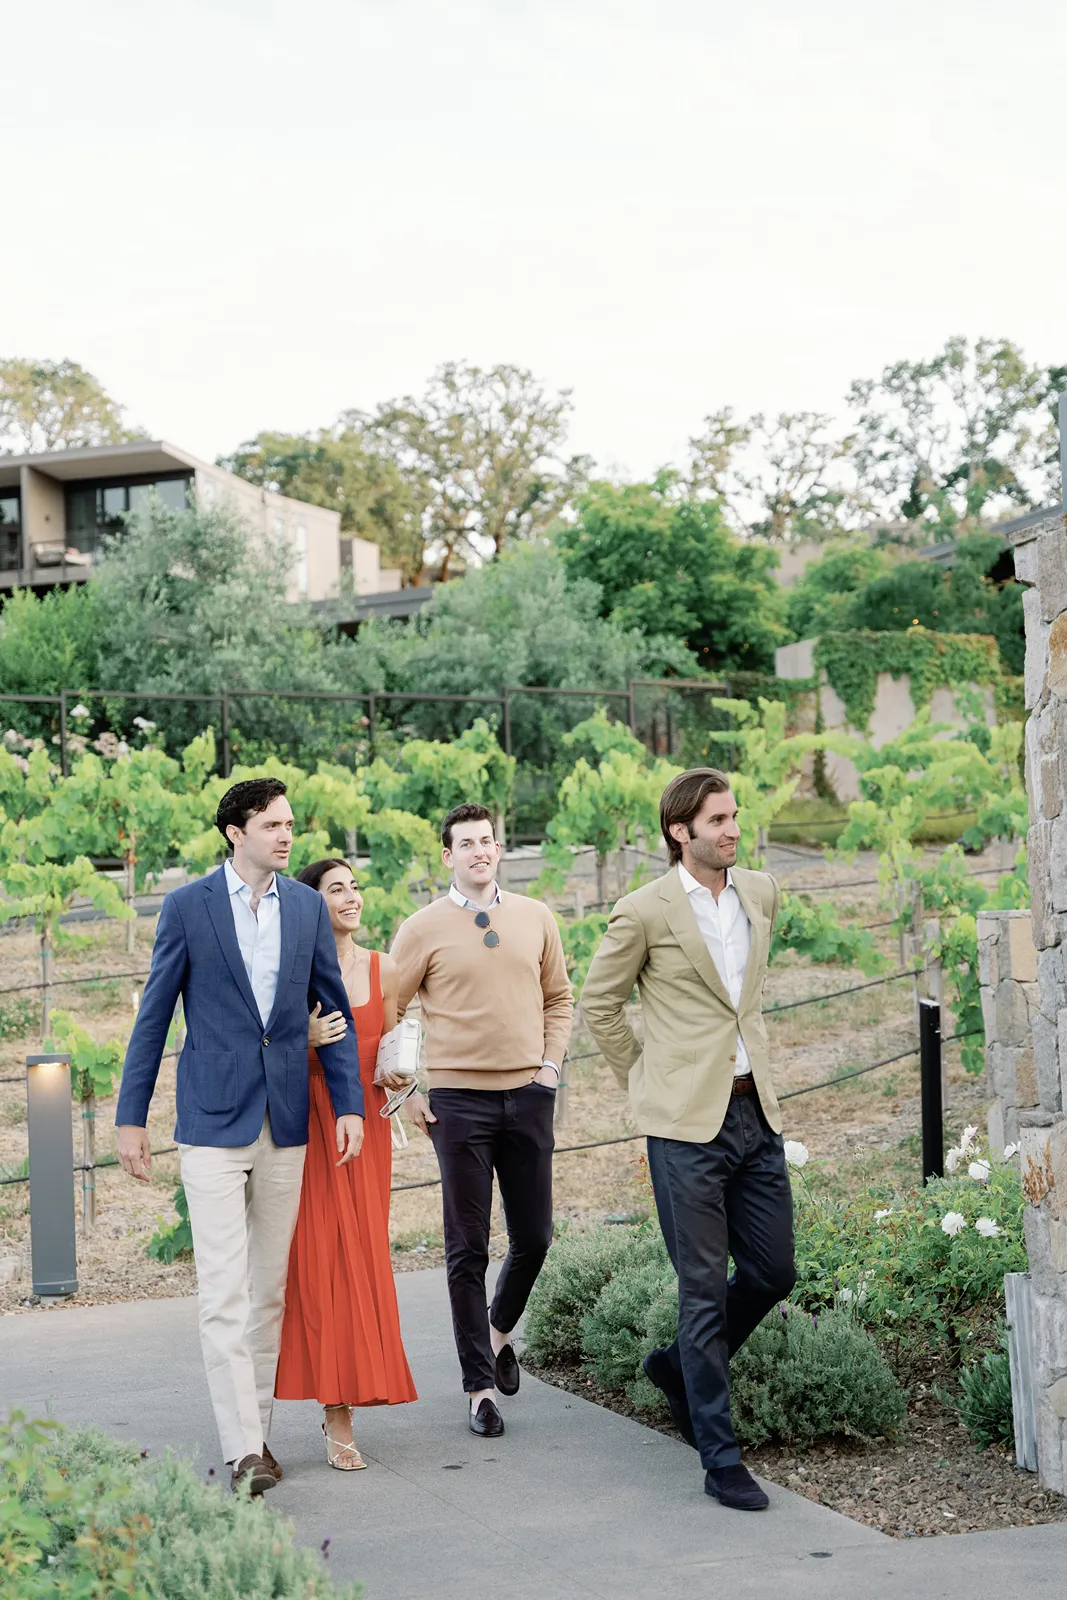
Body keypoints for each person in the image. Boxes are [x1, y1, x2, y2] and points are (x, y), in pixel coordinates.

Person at [115, 779, 364, 1496]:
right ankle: (244, 1449)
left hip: (285, 1123)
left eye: (290, 824)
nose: (286, 836)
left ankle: (254, 1434)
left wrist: (345, 1102)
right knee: (223, 1291)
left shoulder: (308, 907)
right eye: (272, 824)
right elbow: (154, 1017)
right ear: (236, 831)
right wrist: (132, 1118)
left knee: (267, 1294)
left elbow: (332, 1006)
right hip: (211, 1124)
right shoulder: (188, 907)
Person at [580, 768, 795, 1513]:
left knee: (771, 1273)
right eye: (717, 821)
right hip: (681, 1127)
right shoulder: (642, 911)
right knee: (701, 1290)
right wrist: (645, 1081)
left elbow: (745, 1004)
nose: (732, 830)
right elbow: (599, 1004)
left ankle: (675, 1370)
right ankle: (718, 1457)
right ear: (680, 831)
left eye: (735, 816)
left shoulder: (760, 892)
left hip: (752, 1114)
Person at [392, 802, 573, 1438]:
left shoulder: (535, 917)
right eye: (465, 843)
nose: (478, 851)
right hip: (458, 1105)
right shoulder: (421, 929)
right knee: (467, 1247)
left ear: (499, 849)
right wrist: (407, 1088)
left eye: (487, 841)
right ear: (447, 856)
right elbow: (389, 1011)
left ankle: (498, 1332)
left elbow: (559, 997)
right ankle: (478, 1389)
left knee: (536, 1237)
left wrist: (549, 1070)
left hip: (529, 1095)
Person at [275, 859, 417, 1468]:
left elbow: (392, 1049)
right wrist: (298, 1040)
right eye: (338, 889)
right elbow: (261, 1045)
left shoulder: (384, 968)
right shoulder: (290, 971)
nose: (353, 896)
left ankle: (353, 1393)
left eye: (356, 885)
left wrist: (400, 1075)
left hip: (368, 1131)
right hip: (309, 1124)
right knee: (318, 1264)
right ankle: (335, 1415)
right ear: (311, 904)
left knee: (362, 1257)